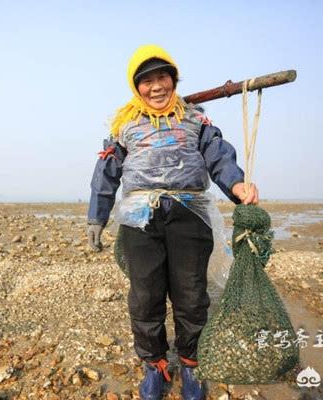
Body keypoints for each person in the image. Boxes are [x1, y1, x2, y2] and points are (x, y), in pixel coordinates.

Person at [86, 45, 259, 400]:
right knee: (145, 296)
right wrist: (96, 217)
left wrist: (237, 184)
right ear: (136, 87)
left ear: (174, 79)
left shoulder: (196, 118)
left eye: (162, 76)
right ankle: (155, 366)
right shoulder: (123, 126)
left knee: (192, 296)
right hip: (139, 220)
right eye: (146, 80)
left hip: (188, 217)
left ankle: (191, 366)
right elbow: (106, 172)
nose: (156, 87)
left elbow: (218, 155)